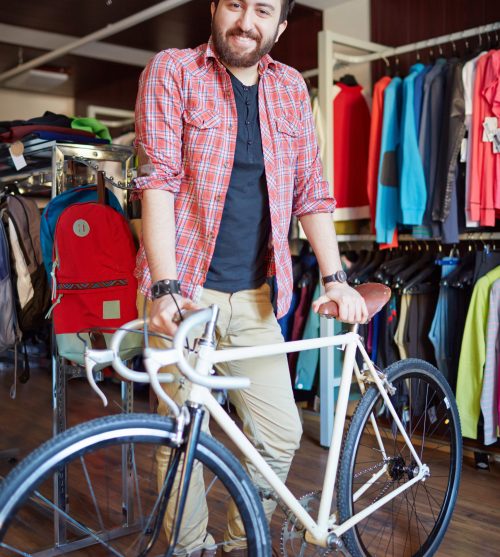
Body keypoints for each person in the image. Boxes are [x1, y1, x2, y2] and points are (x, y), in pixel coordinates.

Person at [133, 0, 369, 554]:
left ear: (280, 25)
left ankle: (242, 543)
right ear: (215, 9)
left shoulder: (290, 88)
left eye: (262, 10)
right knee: (185, 437)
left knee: (281, 436)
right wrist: (165, 287)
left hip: (259, 298)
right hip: (188, 294)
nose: (246, 21)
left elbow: (311, 190)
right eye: (235, 5)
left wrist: (334, 277)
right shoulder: (173, 70)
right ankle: (190, 549)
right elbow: (156, 180)